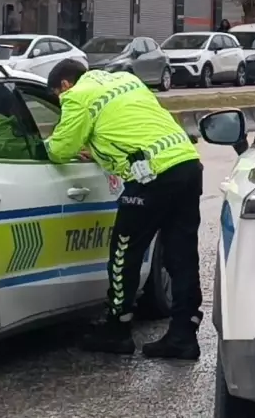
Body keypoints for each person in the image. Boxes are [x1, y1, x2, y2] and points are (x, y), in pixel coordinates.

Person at [44, 59, 204, 359]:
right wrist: (95, 147)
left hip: (151, 176)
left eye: (57, 95)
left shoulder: (77, 95)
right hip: (186, 163)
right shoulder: (125, 81)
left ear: (64, 85)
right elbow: (129, 127)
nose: (60, 100)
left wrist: (44, 146)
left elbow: (61, 147)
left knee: (124, 252)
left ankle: (117, 329)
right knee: (181, 254)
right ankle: (183, 334)